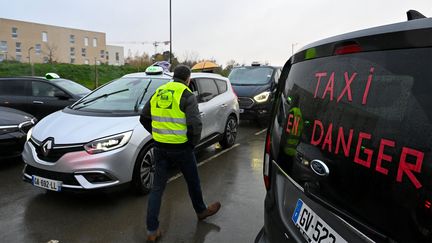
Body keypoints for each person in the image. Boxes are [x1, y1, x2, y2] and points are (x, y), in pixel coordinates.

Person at [140, 65, 221, 242]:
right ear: (188, 79)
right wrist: (191, 144)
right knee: (193, 181)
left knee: (157, 189)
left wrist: (157, 134)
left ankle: (152, 231)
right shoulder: (186, 94)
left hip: (160, 148)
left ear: (173, 77)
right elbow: (195, 124)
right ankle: (201, 211)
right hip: (181, 148)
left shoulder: (159, 92)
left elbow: (144, 117)